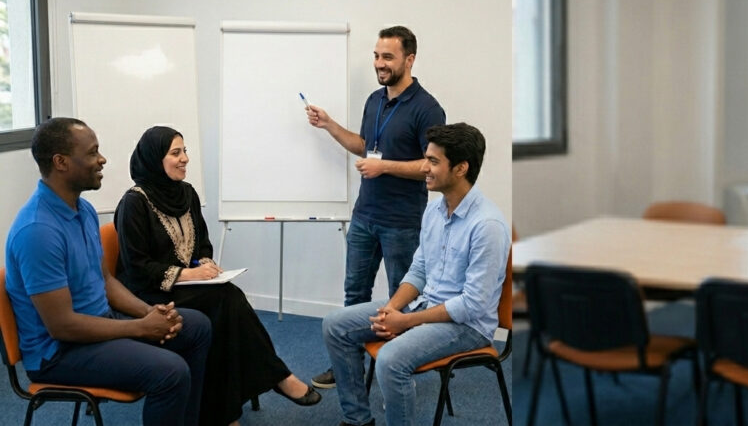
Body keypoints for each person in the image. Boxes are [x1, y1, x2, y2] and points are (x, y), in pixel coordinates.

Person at [5, 117, 212, 426]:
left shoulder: (83, 209)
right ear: (61, 162)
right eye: (92, 153)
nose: (102, 159)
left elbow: (105, 281)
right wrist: (139, 328)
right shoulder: (38, 231)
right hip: (59, 352)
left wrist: (150, 313)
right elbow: (63, 327)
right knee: (171, 372)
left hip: (99, 324)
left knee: (196, 326)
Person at [113, 126, 321, 426]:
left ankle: (225, 412)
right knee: (225, 300)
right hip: (147, 294)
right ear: (154, 159)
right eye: (175, 153)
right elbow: (137, 266)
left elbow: (202, 244)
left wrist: (206, 265)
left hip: (189, 287)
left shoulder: (186, 193)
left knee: (221, 308)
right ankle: (276, 377)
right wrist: (189, 273)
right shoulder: (134, 202)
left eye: (185, 151)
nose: (185, 159)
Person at [322, 123, 510, 426]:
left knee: (390, 359)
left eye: (433, 161)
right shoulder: (434, 211)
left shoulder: (488, 226)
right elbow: (419, 270)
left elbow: (472, 305)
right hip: (426, 306)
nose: (424, 167)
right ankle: (358, 420)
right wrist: (391, 310)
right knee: (335, 325)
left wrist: (406, 322)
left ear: (461, 168)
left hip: (467, 325)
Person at [306, 25, 445, 388]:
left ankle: (399, 372)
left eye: (388, 57)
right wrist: (329, 125)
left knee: (403, 303)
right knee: (354, 297)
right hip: (365, 216)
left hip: (402, 221)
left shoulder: (428, 109)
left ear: (409, 60)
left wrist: (384, 167)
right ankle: (346, 369)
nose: (380, 64)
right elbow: (366, 145)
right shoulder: (374, 100)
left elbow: (431, 165)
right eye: (376, 56)